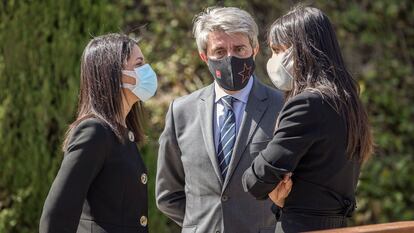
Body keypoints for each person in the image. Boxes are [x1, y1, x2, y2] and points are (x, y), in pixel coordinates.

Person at [242, 6, 374, 233]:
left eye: (277, 50)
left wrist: (274, 190)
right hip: (337, 225)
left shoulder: (307, 104)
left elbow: (255, 180)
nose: (273, 59)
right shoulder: (348, 103)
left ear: (300, 51)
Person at [155, 6, 284, 233]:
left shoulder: (282, 107)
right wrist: (200, 226)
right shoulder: (181, 112)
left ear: (254, 50)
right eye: (220, 51)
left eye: (239, 48)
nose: (230, 57)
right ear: (204, 56)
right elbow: (168, 194)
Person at [39, 33, 157, 233]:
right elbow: (57, 215)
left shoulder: (122, 134)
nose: (147, 71)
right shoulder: (94, 131)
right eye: (138, 64)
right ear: (113, 74)